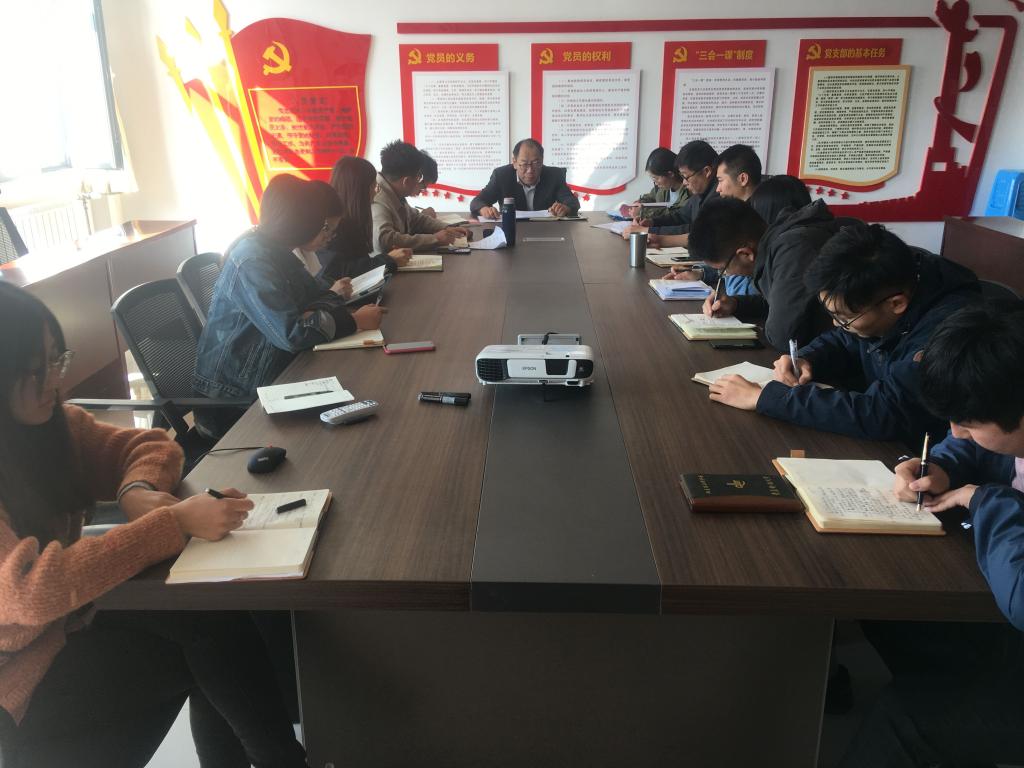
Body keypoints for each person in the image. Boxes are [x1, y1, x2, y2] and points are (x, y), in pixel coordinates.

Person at [0, 282, 308, 768]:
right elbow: (29, 591)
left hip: (67, 626)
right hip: (17, 684)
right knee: (206, 643)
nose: (52, 382)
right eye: (33, 369)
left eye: (56, 359)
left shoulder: (52, 425)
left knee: (206, 615)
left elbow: (152, 446)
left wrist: (136, 490)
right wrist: (172, 523)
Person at [837, 301, 1024, 768]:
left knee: (905, 720)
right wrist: (940, 465)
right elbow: (978, 450)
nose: (956, 431)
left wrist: (986, 501)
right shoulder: (1006, 410)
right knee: (887, 615)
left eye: (970, 423)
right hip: (996, 610)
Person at [707, 221, 980, 447]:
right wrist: (808, 358)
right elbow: (847, 339)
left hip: (924, 457)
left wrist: (765, 398)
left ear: (896, 303)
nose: (837, 324)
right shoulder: (883, 291)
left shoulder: (950, 331)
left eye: (844, 317)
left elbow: (887, 413)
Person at [194, 173, 384, 439]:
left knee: (360, 394)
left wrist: (312, 315)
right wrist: (353, 321)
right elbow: (292, 334)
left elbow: (319, 295)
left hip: (273, 371)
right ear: (299, 221)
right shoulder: (252, 260)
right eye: (322, 225)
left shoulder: (277, 252)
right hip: (234, 399)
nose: (326, 234)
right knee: (347, 425)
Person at [683, 195, 837, 351]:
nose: (725, 275)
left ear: (746, 254)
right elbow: (778, 302)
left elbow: (784, 336)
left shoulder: (794, 249)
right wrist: (736, 304)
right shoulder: (775, 241)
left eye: (723, 269)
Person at [319, 156, 412, 281]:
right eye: (373, 187)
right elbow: (340, 271)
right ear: (360, 190)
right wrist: (389, 259)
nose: (375, 193)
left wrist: (389, 257)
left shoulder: (352, 219)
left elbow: (359, 263)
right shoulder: (333, 224)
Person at [372, 140, 468, 252]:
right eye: (418, 177)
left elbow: (416, 219)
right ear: (406, 181)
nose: (419, 182)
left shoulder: (394, 191)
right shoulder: (377, 197)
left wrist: (447, 228)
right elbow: (384, 241)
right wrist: (435, 239)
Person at [621, 139, 718, 247]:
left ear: (707, 172)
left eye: (686, 177)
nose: (684, 182)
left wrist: (648, 231)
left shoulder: (718, 197)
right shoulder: (700, 194)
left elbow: (694, 230)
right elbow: (680, 217)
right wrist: (653, 222)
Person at [470, 138, 580, 219]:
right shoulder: (501, 175)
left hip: (546, 230)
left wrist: (565, 208)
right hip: (512, 229)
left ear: (542, 161)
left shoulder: (554, 175)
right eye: (524, 164)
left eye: (536, 163)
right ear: (514, 162)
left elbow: (573, 202)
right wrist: (484, 209)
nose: (530, 170)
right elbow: (477, 201)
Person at [293, 180, 344, 276]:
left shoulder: (307, 253)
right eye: (326, 228)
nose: (328, 238)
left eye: (332, 231)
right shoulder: (286, 259)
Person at [626, 147, 689, 223]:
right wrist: (639, 203)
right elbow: (650, 197)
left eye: (656, 178)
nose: (655, 183)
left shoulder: (689, 189)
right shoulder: (662, 187)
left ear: (670, 174)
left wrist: (643, 212)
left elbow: (676, 215)